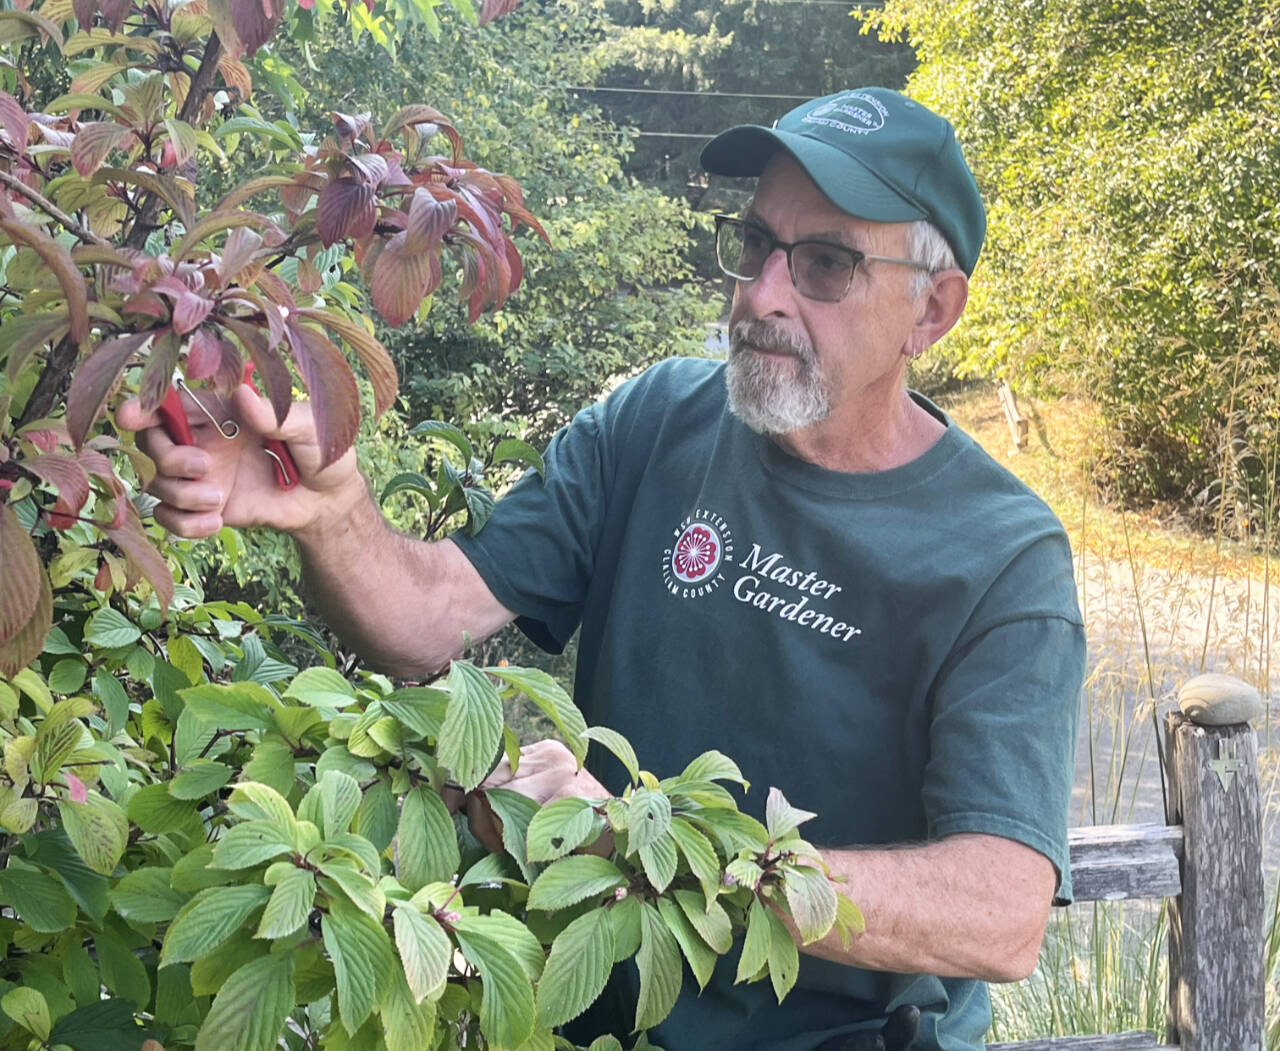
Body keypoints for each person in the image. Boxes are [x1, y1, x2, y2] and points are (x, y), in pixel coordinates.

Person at [119, 87, 1085, 1051]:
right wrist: (331, 508)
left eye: (825, 264)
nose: (760, 294)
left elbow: (1000, 909)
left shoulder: (1001, 553)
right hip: (590, 1024)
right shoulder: (659, 421)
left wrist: (652, 846)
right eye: (755, 245)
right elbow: (426, 617)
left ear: (934, 308)